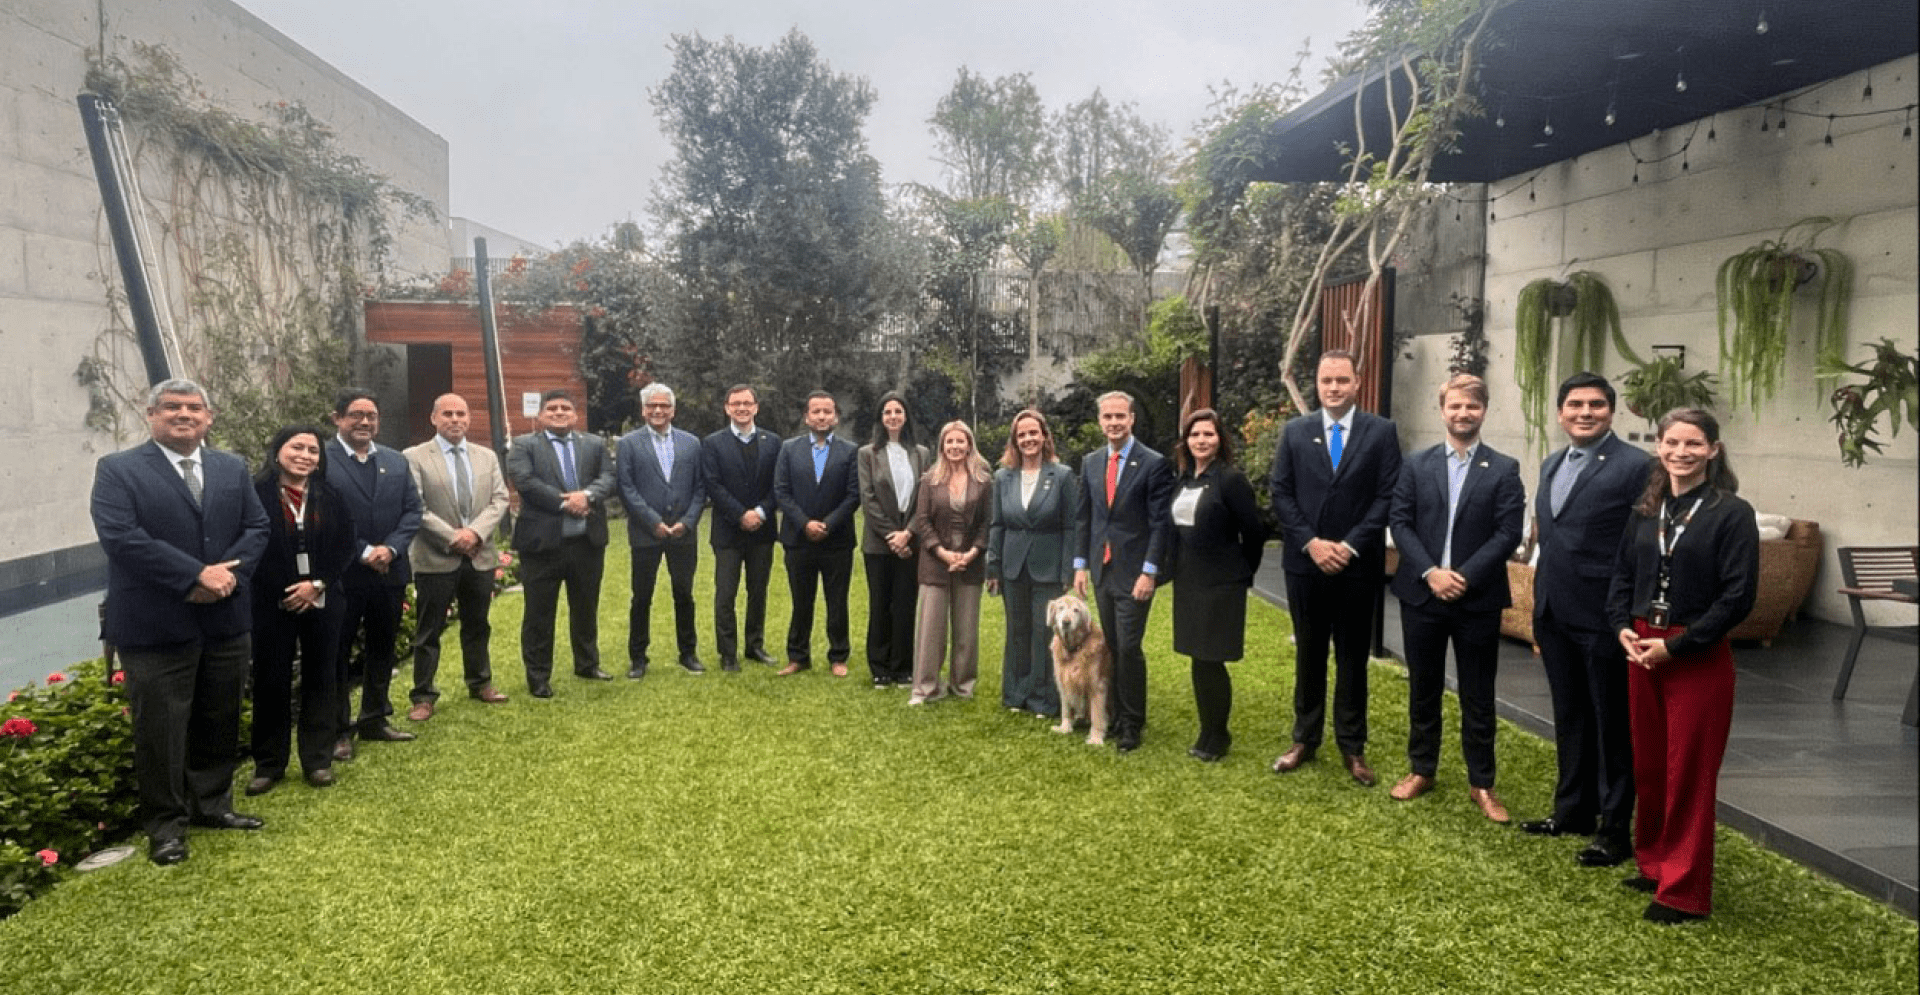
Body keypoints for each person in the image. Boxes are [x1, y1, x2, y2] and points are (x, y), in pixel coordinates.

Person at [91, 379, 270, 866]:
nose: (184, 414)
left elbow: (257, 527)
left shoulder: (230, 467)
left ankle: (212, 805)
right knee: (162, 729)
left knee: (219, 715)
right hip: (156, 622)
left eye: (195, 407)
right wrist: (194, 575)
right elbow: (122, 537)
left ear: (209, 418)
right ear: (151, 415)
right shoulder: (118, 471)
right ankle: (166, 826)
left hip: (225, 617)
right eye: (172, 407)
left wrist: (224, 578)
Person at [1607, 409, 1757, 924]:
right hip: (1642, 646)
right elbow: (1623, 575)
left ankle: (1684, 893)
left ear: (1713, 450)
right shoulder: (1647, 508)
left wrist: (1680, 645)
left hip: (1694, 654)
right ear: (1658, 446)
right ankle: (1653, 863)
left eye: (1694, 443)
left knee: (1689, 772)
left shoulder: (1731, 513)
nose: (1681, 452)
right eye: (1672, 442)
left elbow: (1739, 598)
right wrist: (1621, 626)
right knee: (1650, 765)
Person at [1520, 371, 1652, 868]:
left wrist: (1626, 611)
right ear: (1560, 413)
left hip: (1604, 617)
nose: (1585, 412)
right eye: (1575, 404)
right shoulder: (1553, 463)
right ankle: (1572, 811)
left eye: (1596, 404)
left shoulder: (1636, 466)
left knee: (1612, 725)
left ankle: (1614, 831)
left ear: (1610, 412)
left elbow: (1642, 545)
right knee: (1571, 717)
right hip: (1554, 611)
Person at [1386, 375, 1525, 821]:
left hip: (1476, 598)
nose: (1463, 413)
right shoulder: (1415, 465)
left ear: (1484, 410)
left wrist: (1461, 576)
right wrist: (1431, 572)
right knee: (1423, 689)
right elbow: (1400, 522)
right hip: (1422, 594)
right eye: (1455, 406)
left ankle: (1482, 783)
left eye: (1472, 407)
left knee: (1478, 695)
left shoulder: (1504, 469)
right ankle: (1421, 769)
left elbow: (1508, 532)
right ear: (1441, 409)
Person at [1269, 350, 1402, 786]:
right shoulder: (1295, 431)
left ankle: (1353, 748)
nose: (1333, 388)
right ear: (1317, 383)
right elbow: (1281, 493)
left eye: (1341, 380)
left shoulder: (1381, 433)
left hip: (1356, 565)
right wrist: (1311, 543)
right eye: (1326, 380)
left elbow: (1387, 496)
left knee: (1351, 658)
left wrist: (1347, 545)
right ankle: (1304, 739)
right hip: (1306, 565)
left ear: (1357, 383)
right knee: (1309, 652)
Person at [246, 425, 357, 795]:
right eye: (297, 447)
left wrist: (317, 584)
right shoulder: (254, 493)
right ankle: (268, 764)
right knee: (270, 680)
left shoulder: (331, 494)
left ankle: (318, 760)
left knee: (322, 677)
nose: (305, 456)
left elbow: (345, 545)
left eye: (313, 450)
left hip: (324, 598)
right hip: (270, 601)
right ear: (278, 450)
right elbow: (249, 545)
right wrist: (287, 588)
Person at [1072, 390, 1175, 752]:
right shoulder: (1091, 462)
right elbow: (1085, 517)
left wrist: (1150, 572)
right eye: (1107, 417)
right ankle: (1114, 715)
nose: (1114, 423)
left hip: (1135, 572)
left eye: (1120, 416)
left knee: (1130, 646)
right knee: (1112, 645)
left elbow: (1160, 524)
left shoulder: (1153, 463)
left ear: (1131, 419)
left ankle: (1132, 722)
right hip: (1102, 569)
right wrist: (1080, 566)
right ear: (1100, 422)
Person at [325, 389, 422, 759]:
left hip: (389, 573)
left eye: (371, 415)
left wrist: (390, 549)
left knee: (382, 648)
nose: (365, 422)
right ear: (337, 418)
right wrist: (364, 550)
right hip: (343, 575)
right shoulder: (322, 460)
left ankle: (375, 718)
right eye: (355, 415)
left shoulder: (396, 461)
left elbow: (412, 510)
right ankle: (337, 730)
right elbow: (324, 517)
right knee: (337, 653)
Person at [402, 393, 511, 720]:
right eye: (447, 414)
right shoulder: (415, 456)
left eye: (461, 413)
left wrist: (474, 533)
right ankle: (423, 696)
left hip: (478, 555)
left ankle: (480, 682)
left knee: (478, 624)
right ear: (434, 419)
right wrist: (454, 537)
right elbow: (415, 506)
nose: (455, 419)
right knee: (428, 630)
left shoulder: (486, 456)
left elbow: (500, 499)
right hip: (436, 556)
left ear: (469, 418)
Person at [1167, 409, 1266, 762]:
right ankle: (1208, 729)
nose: (1201, 441)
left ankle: (1217, 734)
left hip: (1221, 583)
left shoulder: (1230, 480)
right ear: (1186, 441)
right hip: (1189, 581)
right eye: (1195, 435)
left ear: (1220, 440)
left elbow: (1254, 532)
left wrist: (1242, 571)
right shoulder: (1184, 480)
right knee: (1198, 658)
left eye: (1208, 434)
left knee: (1212, 660)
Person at [506, 389, 618, 697]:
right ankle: (538, 675)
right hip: (542, 546)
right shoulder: (524, 445)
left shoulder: (593, 444)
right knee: (539, 613)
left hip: (586, 543)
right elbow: (525, 482)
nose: (559, 412)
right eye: (552, 408)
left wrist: (588, 496)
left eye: (565, 408)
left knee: (585, 607)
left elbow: (609, 478)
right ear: (541, 415)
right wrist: (566, 502)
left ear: (575, 414)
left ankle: (587, 663)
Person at [986, 410, 1077, 718]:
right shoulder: (1002, 477)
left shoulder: (1062, 475)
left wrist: (1068, 571)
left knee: (1043, 632)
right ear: (1015, 440)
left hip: (1048, 566)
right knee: (1017, 630)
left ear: (1044, 436)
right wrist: (993, 566)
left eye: (1033, 433)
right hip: (1012, 566)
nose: (1028, 439)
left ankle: (1043, 699)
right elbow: (997, 524)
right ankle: (1015, 694)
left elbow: (1070, 526)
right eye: (1022, 435)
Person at [617, 382, 707, 677]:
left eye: (664, 406)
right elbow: (626, 488)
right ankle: (639, 658)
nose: (658, 410)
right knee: (641, 596)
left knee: (684, 593)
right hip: (646, 534)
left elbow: (700, 488)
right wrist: (653, 522)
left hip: (684, 534)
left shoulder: (691, 443)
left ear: (673, 410)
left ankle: (688, 652)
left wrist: (688, 522)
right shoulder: (628, 444)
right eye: (652, 406)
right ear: (643, 410)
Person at [773, 391, 861, 676]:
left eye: (827, 411)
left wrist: (828, 524)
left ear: (835, 416)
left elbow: (853, 495)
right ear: (806, 417)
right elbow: (781, 491)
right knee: (801, 600)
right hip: (798, 539)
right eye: (816, 411)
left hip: (836, 540)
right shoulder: (789, 449)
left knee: (837, 600)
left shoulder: (850, 452)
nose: (822, 416)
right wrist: (804, 523)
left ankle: (838, 656)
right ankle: (798, 656)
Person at [907, 420, 992, 705]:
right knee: (931, 629)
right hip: (935, 561)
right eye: (949, 442)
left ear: (969, 445)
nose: (955, 447)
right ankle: (926, 688)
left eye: (960, 441)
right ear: (942, 446)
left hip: (970, 562)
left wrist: (972, 553)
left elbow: (986, 523)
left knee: (966, 629)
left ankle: (962, 685)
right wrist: (942, 553)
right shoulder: (929, 479)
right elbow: (922, 521)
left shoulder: (983, 480)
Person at [701, 385, 781, 672]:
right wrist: (740, 514)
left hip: (763, 530)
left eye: (747, 403)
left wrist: (759, 512)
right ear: (726, 407)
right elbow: (713, 485)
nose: (742, 408)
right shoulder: (712, 443)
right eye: (736, 403)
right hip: (727, 532)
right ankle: (727, 653)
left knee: (758, 591)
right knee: (726, 594)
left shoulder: (773, 442)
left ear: (756, 407)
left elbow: (779, 485)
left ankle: (754, 646)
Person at [857, 391, 931, 688]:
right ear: (880, 418)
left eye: (898, 412)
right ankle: (880, 667)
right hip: (878, 544)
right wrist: (892, 535)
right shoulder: (867, 454)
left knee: (905, 604)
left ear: (906, 417)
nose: (893, 417)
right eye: (887, 412)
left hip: (912, 541)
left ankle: (903, 667)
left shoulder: (922, 454)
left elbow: (925, 498)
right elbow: (868, 498)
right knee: (880, 604)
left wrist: (909, 533)